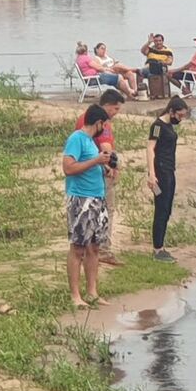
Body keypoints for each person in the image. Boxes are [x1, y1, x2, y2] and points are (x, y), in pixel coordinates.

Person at [62, 104, 112, 307]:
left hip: (97, 198)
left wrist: (104, 167)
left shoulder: (91, 142)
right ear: (99, 123)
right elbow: (68, 167)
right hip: (81, 199)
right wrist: (96, 161)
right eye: (104, 125)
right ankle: (75, 295)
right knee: (78, 247)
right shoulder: (76, 139)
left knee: (94, 247)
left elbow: (90, 163)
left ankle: (92, 291)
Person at [75, 89, 125, 266]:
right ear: (108, 106)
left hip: (91, 172)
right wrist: (113, 165)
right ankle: (102, 249)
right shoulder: (101, 121)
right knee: (106, 211)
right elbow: (106, 148)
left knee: (90, 212)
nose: (116, 114)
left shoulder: (85, 118)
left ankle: (90, 247)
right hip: (99, 172)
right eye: (116, 109)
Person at [146, 96, 190, 262]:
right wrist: (152, 174)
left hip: (170, 170)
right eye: (179, 115)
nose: (180, 119)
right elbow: (150, 148)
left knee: (167, 209)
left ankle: (161, 246)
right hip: (161, 171)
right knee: (161, 209)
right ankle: (157, 249)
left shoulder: (169, 126)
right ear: (171, 111)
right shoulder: (157, 126)